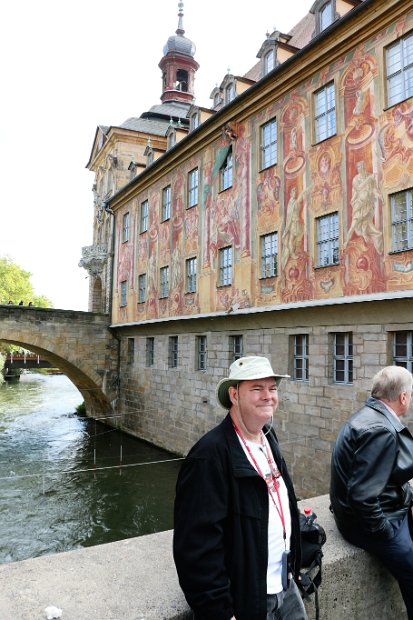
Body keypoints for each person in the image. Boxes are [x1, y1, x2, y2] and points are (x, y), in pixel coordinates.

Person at [173, 355, 307, 620]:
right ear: (234, 395)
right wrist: (221, 613)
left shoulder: (268, 437)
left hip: (286, 585)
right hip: (249, 598)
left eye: (273, 388)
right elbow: (196, 550)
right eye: (257, 389)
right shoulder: (209, 455)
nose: (268, 396)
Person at [330, 365, 413, 619]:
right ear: (402, 397)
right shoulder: (380, 430)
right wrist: (385, 533)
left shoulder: (371, 415)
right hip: (366, 524)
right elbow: (363, 498)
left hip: (370, 512)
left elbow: (382, 476)